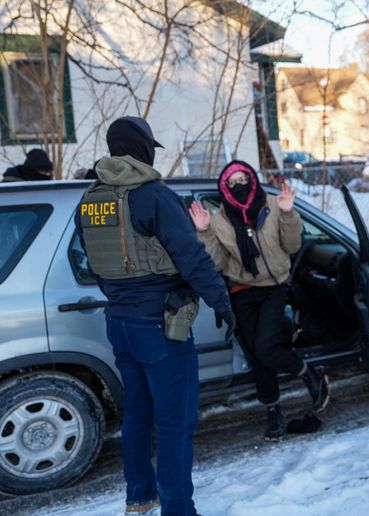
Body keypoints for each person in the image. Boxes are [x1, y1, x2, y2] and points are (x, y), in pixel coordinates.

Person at [76, 116, 235, 516]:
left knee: (137, 416)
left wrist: (120, 295)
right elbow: (192, 257)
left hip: (120, 323)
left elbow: (93, 260)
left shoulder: (91, 198)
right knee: (175, 424)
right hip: (161, 325)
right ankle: (179, 511)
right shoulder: (154, 196)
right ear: (142, 149)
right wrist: (222, 303)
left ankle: (140, 497)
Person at [189, 160, 330, 440]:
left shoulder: (274, 205)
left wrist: (289, 213)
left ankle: (308, 373)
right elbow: (216, 262)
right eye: (232, 183)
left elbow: (292, 246)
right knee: (258, 356)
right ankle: (273, 410)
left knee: (266, 348)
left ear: (252, 180)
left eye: (243, 179)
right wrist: (204, 232)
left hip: (274, 286)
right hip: (242, 290)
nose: (239, 186)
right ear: (225, 188)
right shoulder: (220, 220)